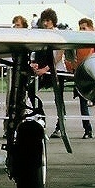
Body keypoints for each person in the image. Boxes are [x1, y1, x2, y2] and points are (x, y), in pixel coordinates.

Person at [30, 8, 64, 138]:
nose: (45, 23)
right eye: (44, 20)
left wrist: (46, 69)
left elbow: (59, 56)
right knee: (30, 90)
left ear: (53, 21)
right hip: (43, 71)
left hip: (57, 71)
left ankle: (60, 126)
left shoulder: (58, 34)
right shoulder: (40, 34)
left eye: (48, 20)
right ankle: (40, 116)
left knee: (58, 100)